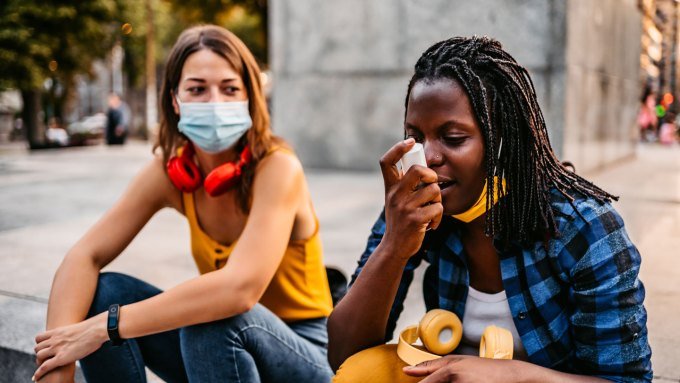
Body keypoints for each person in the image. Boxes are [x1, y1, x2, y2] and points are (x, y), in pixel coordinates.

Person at [328, 36, 652, 382]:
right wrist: (394, 245)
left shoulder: (585, 228)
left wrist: (512, 374)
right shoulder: (413, 210)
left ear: (502, 142)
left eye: (453, 138)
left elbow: (626, 380)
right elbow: (345, 355)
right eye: (416, 138)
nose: (429, 157)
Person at [33, 25, 334, 383]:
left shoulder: (278, 167)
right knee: (102, 292)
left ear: (250, 99)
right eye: (197, 89)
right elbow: (84, 256)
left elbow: (238, 290)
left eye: (229, 89)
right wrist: (58, 365)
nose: (215, 102)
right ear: (175, 101)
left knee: (207, 319)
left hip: (304, 351)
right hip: (222, 352)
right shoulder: (171, 171)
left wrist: (107, 326)